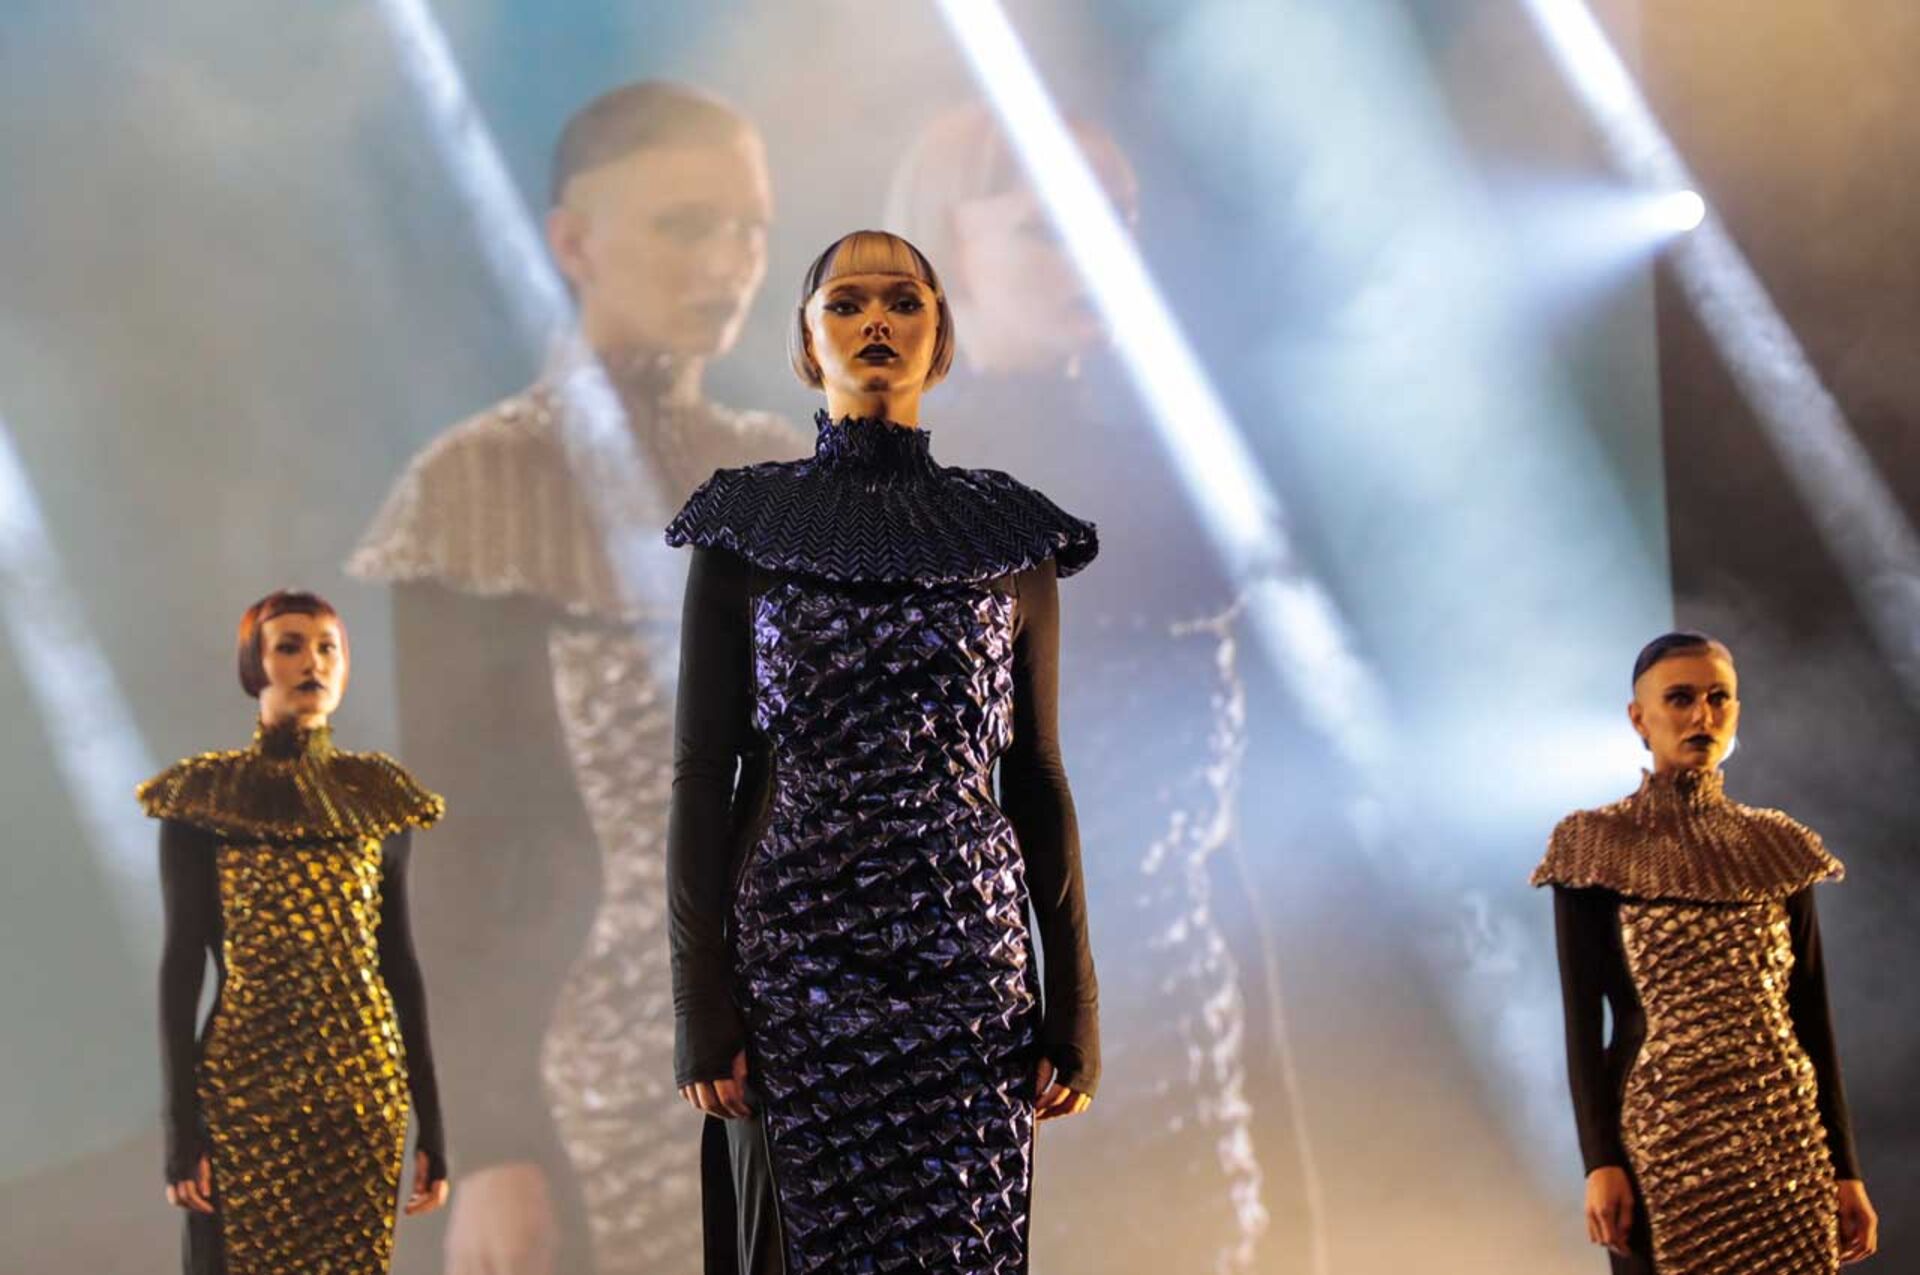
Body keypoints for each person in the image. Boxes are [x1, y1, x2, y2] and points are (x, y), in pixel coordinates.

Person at [348, 82, 797, 1275]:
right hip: (602, 1075)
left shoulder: (784, 475)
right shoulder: (480, 488)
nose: (729, 263)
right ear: (574, 243)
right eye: (684, 225)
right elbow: (452, 846)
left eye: (750, 230)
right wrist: (492, 1147)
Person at [885, 106, 1287, 1272]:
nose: (1094, 254)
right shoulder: (884, 502)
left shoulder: (1169, 468)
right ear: (949, 249)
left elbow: (1209, 847)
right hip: (961, 1050)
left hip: (1174, 1056)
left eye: (1115, 220)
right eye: (1046, 227)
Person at [665, 229, 1098, 1273]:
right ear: (807, 338)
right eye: (847, 302)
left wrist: (1074, 1000)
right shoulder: (746, 524)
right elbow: (701, 775)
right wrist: (698, 999)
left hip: (969, 968)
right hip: (792, 964)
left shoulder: (1008, 534)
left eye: (904, 302)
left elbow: (1035, 776)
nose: (876, 322)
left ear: (938, 336)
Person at [1533, 631, 1879, 1272]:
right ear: (1639, 718)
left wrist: (1845, 1170)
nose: (1703, 715)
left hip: (1785, 1147)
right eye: (1680, 698)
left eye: (1719, 698)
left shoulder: (1777, 846)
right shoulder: (1594, 844)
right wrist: (1599, 1161)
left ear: (1737, 711)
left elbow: (1810, 1018)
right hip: (1660, 1149)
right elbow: (1583, 1025)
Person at [141, 589, 448, 1275]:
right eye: (290, 646)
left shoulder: (377, 800)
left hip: (363, 1096)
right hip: (244, 1092)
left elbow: (399, 967)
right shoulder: (204, 801)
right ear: (255, 665)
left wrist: (433, 1127)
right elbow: (181, 973)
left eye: (328, 647)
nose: (313, 662)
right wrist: (181, 1131)